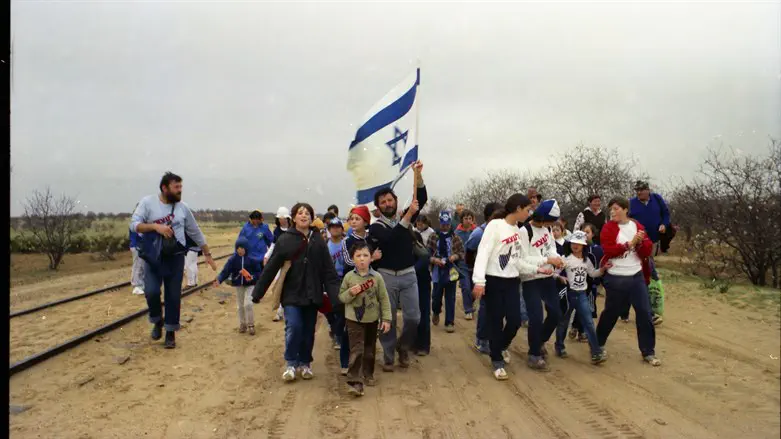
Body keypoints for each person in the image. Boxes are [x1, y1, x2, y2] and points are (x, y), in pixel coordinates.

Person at [472, 194, 558, 380]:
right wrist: (479, 281)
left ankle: (501, 346)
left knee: (514, 321)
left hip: (512, 281)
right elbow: (483, 253)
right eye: (528, 210)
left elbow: (518, 260)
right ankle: (497, 361)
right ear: (518, 208)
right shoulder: (495, 226)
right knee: (496, 321)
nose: (530, 213)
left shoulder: (518, 230)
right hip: (494, 280)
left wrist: (538, 268)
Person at [251, 202, 341, 381]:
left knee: (308, 330)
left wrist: (336, 299)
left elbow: (328, 272)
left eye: (307, 213)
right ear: (294, 217)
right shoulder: (285, 240)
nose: (304, 215)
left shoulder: (318, 241)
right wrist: (258, 292)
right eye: (300, 213)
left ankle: (305, 363)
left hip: (312, 293)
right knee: (294, 326)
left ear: (312, 217)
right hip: (292, 293)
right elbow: (271, 267)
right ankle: (291, 363)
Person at [131, 172, 217, 349]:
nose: (179, 191)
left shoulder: (182, 208)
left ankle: (170, 332)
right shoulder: (147, 203)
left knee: (173, 296)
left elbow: (195, 231)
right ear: (164, 188)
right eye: (176, 187)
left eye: (180, 187)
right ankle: (157, 320)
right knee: (152, 292)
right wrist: (156, 227)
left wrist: (207, 253)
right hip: (153, 257)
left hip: (175, 258)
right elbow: (134, 225)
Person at [369, 161, 426, 372]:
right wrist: (408, 215)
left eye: (390, 200)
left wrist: (418, 176)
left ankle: (404, 347)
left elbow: (422, 199)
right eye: (382, 202)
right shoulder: (376, 227)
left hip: (408, 274)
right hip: (386, 276)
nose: (387, 203)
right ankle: (388, 354)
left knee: (414, 317)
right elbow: (391, 239)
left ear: (396, 201)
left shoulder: (407, 217)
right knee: (388, 318)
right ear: (378, 207)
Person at [596, 197, 661, 366]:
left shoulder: (636, 226)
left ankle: (648, 351)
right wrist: (629, 244)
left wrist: (640, 243)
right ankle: (598, 344)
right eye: (611, 209)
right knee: (611, 313)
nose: (612, 212)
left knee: (644, 313)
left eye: (616, 208)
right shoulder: (608, 228)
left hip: (636, 275)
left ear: (625, 209)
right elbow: (609, 250)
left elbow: (647, 250)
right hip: (616, 276)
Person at [339, 242, 392, 396]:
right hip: (353, 319)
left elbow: (384, 299)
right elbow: (341, 297)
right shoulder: (349, 277)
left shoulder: (377, 278)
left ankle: (368, 373)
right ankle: (354, 381)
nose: (362, 259)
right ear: (353, 259)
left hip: (372, 319)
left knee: (369, 350)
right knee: (357, 349)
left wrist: (386, 319)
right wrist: (350, 293)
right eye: (358, 256)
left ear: (371, 258)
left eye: (365, 255)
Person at [519, 199, 566, 370]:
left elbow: (551, 247)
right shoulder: (525, 231)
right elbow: (523, 258)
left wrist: (557, 259)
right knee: (536, 317)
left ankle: (540, 341)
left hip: (548, 277)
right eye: (551, 220)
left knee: (555, 313)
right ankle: (533, 354)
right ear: (543, 217)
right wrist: (547, 259)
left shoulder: (547, 230)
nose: (553, 224)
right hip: (531, 278)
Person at [554, 231, 610, 364]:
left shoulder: (587, 260)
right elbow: (554, 273)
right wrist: (560, 277)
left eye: (579, 243)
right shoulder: (565, 259)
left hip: (582, 294)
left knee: (589, 322)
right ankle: (559, 346)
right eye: (573, 243)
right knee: (564, 322)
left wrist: (602, 270)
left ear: (584, 245)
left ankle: (596, 353)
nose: (576, 245)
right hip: (569, 294)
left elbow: (592, 273)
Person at [629, 180, 670, 325]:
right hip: (639, 243)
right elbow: (627, 220)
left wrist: (664, 224)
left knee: (644, 272)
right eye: (637, 191)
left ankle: (634, 308)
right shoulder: (632, 203)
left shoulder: (657, 199)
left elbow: (666, 214)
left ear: (648, 190)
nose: (639, 193)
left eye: (641, 190)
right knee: (646, 272)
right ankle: (648, 312)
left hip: (653, 241)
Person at [465, 202, 503, 354]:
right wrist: (474, 271)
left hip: (497, 274)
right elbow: (468, 252)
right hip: (482, 275)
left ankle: (491, 338)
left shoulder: (502, 231)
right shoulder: (478, 234)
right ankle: (481, 340)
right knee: (485, 307)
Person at [214, 237, 261, 335]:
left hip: (250, 285)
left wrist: (252, 277)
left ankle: (251, 325)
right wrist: (219, 279)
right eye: (238, 250)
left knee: (248, 304)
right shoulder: (233, 259)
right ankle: (242, 324)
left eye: (242, 250)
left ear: (246, 249)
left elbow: (259, 273)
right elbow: (225, 271)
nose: (240, 252)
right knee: (240, 306)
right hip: (239, 284)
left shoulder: (252, 259)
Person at [427, 211, 465, 333]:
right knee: (436, 296)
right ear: (440, 223)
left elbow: (461, 253)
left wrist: (455, 256)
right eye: (443, 224)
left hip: (451, 269)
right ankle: (436, 311)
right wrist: (434, 259)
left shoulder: (455, 237)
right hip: (438, 270)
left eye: (447, 224)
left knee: (450, 296)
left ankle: (449, 322)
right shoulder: (433, 236)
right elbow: (426, 254)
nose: (445, 226)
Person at [570, 223, 603, 342]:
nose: (585, 234)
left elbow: (599, 266)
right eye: (583, 232)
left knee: (587, 308)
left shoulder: (598, 249)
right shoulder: (576, 249)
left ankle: (579, 329)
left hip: (592, 284)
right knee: (580, 308)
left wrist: (600, 280)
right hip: (578, 284)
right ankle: (578, 329)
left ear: (593, 234)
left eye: (587, 232)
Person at [326, 217, 349, 374]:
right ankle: (335, 331)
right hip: (330, 280)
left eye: (337, 227)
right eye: (332, 227)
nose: (335, 229)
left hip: (344, 278)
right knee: (331, 310)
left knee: (341, 309)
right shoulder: (325, 245)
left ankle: (339, 335)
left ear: (342, 229)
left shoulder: (346, 243)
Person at [266, 206, 292, 322]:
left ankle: (283, 310)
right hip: (279, 261)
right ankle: (280, 310)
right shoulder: (277, 231)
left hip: (290, 262)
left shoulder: (293, 229)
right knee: (278, 285)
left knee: (287, 286)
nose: (282, 220)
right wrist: (266, 256)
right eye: (280, 218)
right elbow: (273, 245)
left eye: (283, 218)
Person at [412, 230, 433, 356]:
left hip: (422, 284)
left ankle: (424, 345)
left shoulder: (423, 253)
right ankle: (414, 342)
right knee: (412, 315)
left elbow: (423, 262)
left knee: (423, 314)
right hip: (411, 285)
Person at [454, 209, 477, 319]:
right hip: (462, 263)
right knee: (465, 286)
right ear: (461, 220)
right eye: (465, 218)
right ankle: (468, 310)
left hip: (475, 263)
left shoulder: (477, 232)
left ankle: (470, 302)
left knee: (473, 288)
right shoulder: (457, 233)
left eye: (470, 218)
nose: (468, 220)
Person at [129, 222, 145, 295]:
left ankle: (141, 284)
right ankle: (136, 286)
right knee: (137, 265)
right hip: (136, 246)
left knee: (142, 265)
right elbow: (137, 236)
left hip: (140, 246)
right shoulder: (135, 224)